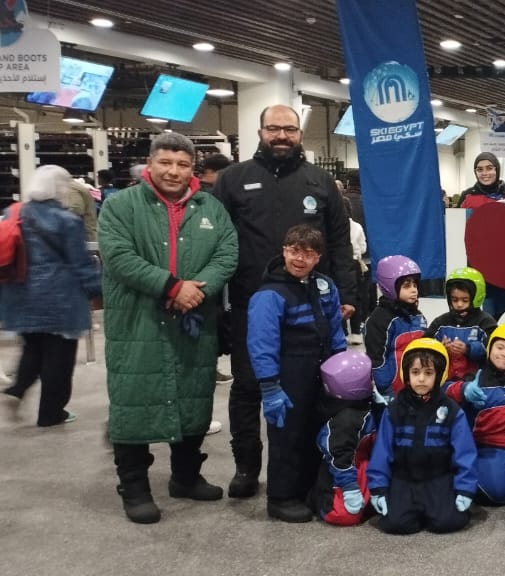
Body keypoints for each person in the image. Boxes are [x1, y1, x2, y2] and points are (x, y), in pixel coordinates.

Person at [214, 105, 358, 499]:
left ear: (299, 134)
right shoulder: (233, 179)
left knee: (308, 385)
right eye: (274, 128)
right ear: (261, 131)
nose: (282, 135)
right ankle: (246, 467)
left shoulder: (320, 182)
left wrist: (346, 294)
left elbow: (340, 241)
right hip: (250, 301)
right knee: (248, 386)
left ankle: (307, 466)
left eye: (289, 129)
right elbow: (218, 242)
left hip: (310, 304)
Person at [95, 133, 238, 523]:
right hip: (137, 323)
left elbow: (227, 253)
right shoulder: (121, 206)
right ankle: (135, 487)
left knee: (194, 397)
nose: (174, 171)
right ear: (150, 164)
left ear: (192, 169)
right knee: (132, 401)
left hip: (193, 322)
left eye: (182, 164)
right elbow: (118, 256)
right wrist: (172, 286)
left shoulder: (211, 208)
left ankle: (186, 477)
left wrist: (197, 290)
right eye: (166, 162)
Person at [247, 225, 348, 522]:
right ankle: (281, 497)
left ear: (318, 257)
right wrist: (270, 387)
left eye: (308, 253)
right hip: (287, 374)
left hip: (320, 371)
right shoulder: (270, 294)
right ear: (284, 251)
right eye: (294, 251)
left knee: (313, 431)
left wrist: (339, 367)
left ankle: (307, 490)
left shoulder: (325, 286)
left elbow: (335, 329)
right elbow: (262, 343)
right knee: (287, 436)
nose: (300, 259)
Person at [0, 166, 102, 426]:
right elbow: (80, 263)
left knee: (33, 348)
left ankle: (16, 390)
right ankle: (51, 413)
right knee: (59, 360)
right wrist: (97, 290)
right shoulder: (67, 220)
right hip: (60, 298)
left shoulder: (14, 212)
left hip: (21, 294)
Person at [367, 338, 478, 534]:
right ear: (406, 374)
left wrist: (465, 488)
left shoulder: (451, 410)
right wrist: (378, 488)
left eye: (428, 373)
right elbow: (382, 451)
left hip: (438, 477)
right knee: (396, 524)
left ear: (439, 375)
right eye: (415, 372)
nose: (421, 379)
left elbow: (465, 452)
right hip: (403, 478)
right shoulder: (394, 410)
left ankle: (438, 507)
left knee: (447, 523)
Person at [448, 324, 505, 505]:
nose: (504, 354)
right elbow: (442, 391)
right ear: (490, 348)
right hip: (491, 448)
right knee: (500, 493)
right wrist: (463, 389)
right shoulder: (476, 379)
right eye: (500, 347)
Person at [313, 350, 376, 526]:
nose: (373, 381)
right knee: (343, 516)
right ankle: (321, 502)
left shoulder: (363, 406)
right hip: (344, 472)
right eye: (370, 378)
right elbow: (338, 455)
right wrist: (349, 488)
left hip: (362, 463)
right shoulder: (346, 419)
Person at [197, 154, 235, 391]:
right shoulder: (209, 196)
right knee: (210, 321)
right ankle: (208, 369)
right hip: (210, 273)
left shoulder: (200, 195)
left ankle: (210, 367)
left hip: (205, 271)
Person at [363, 255, 426, 399]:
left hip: (417, 384)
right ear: (390, 287)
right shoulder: (379, 319)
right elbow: (376, 359)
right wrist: (386, 389)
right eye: (407, 286)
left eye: (415, 285)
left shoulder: (417, 316)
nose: (414, 290)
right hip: (392, 389)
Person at [428, 266, 497, 381]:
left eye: (465, 300)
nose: (459, 304)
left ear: (476, 298)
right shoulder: (440, 322)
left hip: (477, 381)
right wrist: (440, 348)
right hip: (445, 381)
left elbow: (494, 349)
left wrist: (468, 349)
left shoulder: (486, 321)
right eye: (455, 300)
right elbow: (425, 346)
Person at [344, 197, 369, 344]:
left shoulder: (335, 226)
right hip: (355, 264)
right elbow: (363, 248)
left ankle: (342, 332)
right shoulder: (357, 227)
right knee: (357, 298)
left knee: (339, 297)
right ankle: (356, 333)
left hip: (340, 264)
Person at [62, 173, 99, 242]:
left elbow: (76, 209)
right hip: (86, 233)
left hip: (83, 235)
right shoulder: (74, 186)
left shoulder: (71, 188)